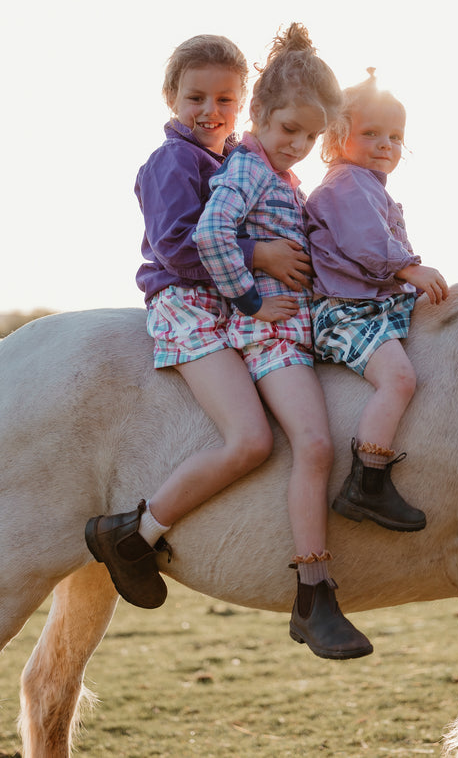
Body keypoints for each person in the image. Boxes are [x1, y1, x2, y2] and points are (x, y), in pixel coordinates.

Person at [85, 34, 312, 611]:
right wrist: (259, 255)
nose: (210, 112)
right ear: (171, 98)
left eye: (225, 100)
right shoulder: (172, 161)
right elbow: (177, 248)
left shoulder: (239, 162)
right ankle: (135, 533)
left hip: (225, 306)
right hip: (185, 305)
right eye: (196, 98)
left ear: (243, 106)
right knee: (251, 439)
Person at [193, 23, 373, 660]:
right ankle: (314, 592)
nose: (298, 145)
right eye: (288, 129)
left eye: (310, 136)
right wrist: (248, 297)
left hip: (299, 332)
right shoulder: (247, 168)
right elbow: (210, 235)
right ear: (261, 115)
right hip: (270, 337)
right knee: (316, 443)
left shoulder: (281, 176)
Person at [305, 70, 449, 533]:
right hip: (344, 311)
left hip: (371, 303)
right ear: (337, 137)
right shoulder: (345, 184)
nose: (386, 144)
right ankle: (367, 481)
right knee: (399, 378)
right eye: (370, 134)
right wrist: (409, 268)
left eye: (395, 137)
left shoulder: (367, 183)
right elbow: (365, 241)